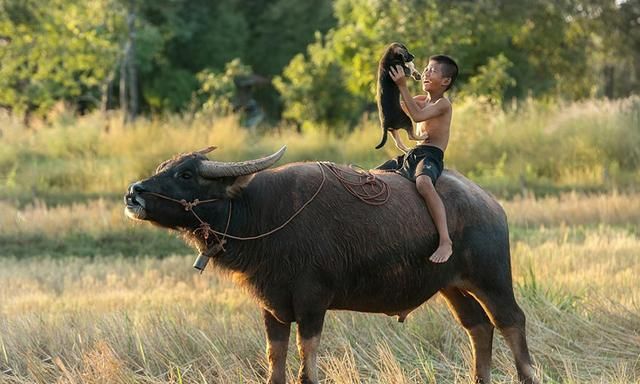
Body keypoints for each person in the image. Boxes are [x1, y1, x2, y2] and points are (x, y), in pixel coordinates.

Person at [378, 54, 458, 263]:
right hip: (413, 153)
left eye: (432, 70)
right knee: (374, 175)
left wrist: (403, 86)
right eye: (425, 69)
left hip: (431, 154)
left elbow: (417, 117)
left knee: (423, 183)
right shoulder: (421, 100)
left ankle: (445, 240)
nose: (425, 73)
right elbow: (399, 108)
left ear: (446, 81)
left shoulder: (443, 104)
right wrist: (390, 82)